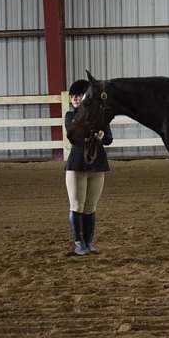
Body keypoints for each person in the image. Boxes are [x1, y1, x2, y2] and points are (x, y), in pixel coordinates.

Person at [64, 79, 113, 255]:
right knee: (77, 205)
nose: (75, 98)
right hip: (77, 164)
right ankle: (79, 243)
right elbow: (74, 135)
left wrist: (100, 135)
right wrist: (92, 131)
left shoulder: (100, 116)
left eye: (79, 95)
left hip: (97, 164)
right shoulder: (71, 116)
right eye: (73, 96)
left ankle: (88, 242)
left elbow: (109, 138)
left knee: (90, 206)